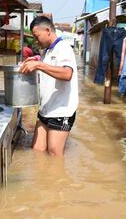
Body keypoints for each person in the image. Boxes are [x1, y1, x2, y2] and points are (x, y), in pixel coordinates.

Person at [20, 16, 78, 156]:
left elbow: (67, 74)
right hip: (46, 109)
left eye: (36, 36)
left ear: (47, 31)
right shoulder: (46, 51)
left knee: (54, 154)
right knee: (37, 151)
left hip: (61, 111)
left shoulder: (63, 48)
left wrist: (39, 64)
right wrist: (38, 59)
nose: (35, 40)